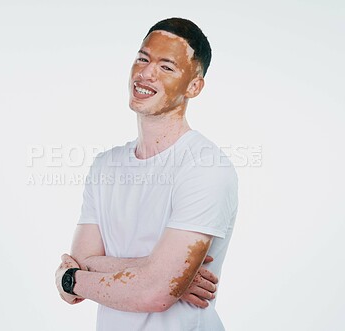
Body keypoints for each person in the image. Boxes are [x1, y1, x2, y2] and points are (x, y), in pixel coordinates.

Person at [55, 17, 238, 330]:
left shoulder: (206, 167)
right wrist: (161, 273)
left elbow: (155, 293)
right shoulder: (105, 166)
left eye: (166, 66)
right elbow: (82, 259)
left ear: (194, 86)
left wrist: (69, 280)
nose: (146, 72)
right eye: (142, 58)